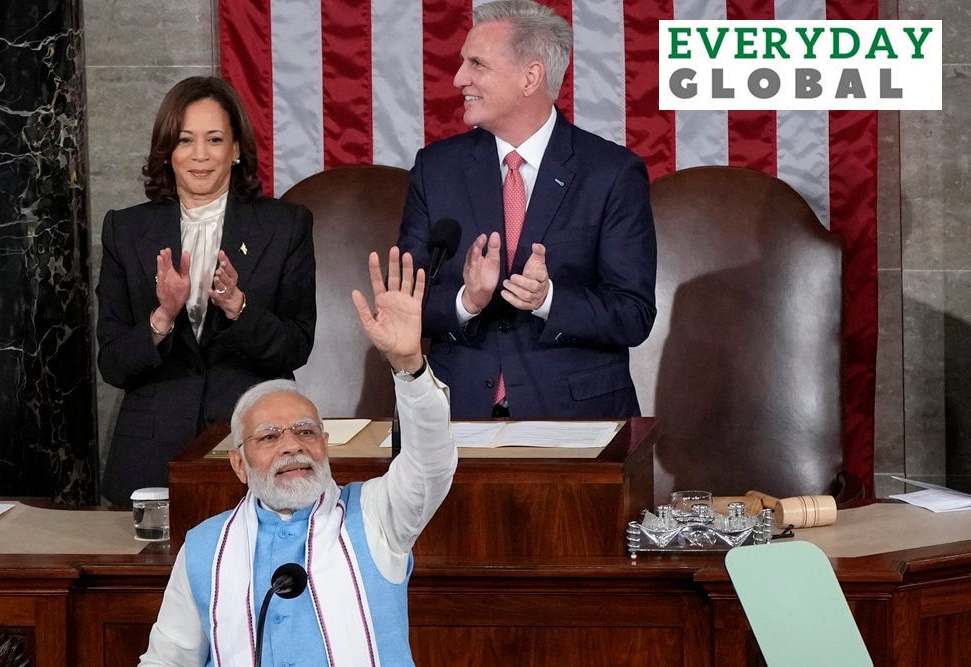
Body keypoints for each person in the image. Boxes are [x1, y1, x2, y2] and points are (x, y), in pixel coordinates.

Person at [138, 248, 456, 667]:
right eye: (269, 437)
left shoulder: (377, 516)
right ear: (239, 463)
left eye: (306, 431)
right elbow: (167, 661)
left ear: (325, 444)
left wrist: (408, 365)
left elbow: (429, 464)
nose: (293, 445)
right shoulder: (204, 548)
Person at [396, 0, 657, 420]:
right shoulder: (436, 169)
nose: (459, 78)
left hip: (574, 421)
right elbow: (405, 303)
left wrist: (547, 298)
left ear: (530, 77)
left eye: (476, 64)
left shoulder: (611, 173)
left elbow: (633, 314)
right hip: (455, 416)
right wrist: (467, 300)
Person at [96, 76, 316, 507]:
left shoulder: (285, 225)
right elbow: (113, 365)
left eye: (214, 139)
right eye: (185, 141)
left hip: (251, 445)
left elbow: (296, 347)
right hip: (150, 456)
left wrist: (239, 307)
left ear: (235, 149)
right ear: (168, 151)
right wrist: (162, 317)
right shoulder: (126, 229)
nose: (200, 155)